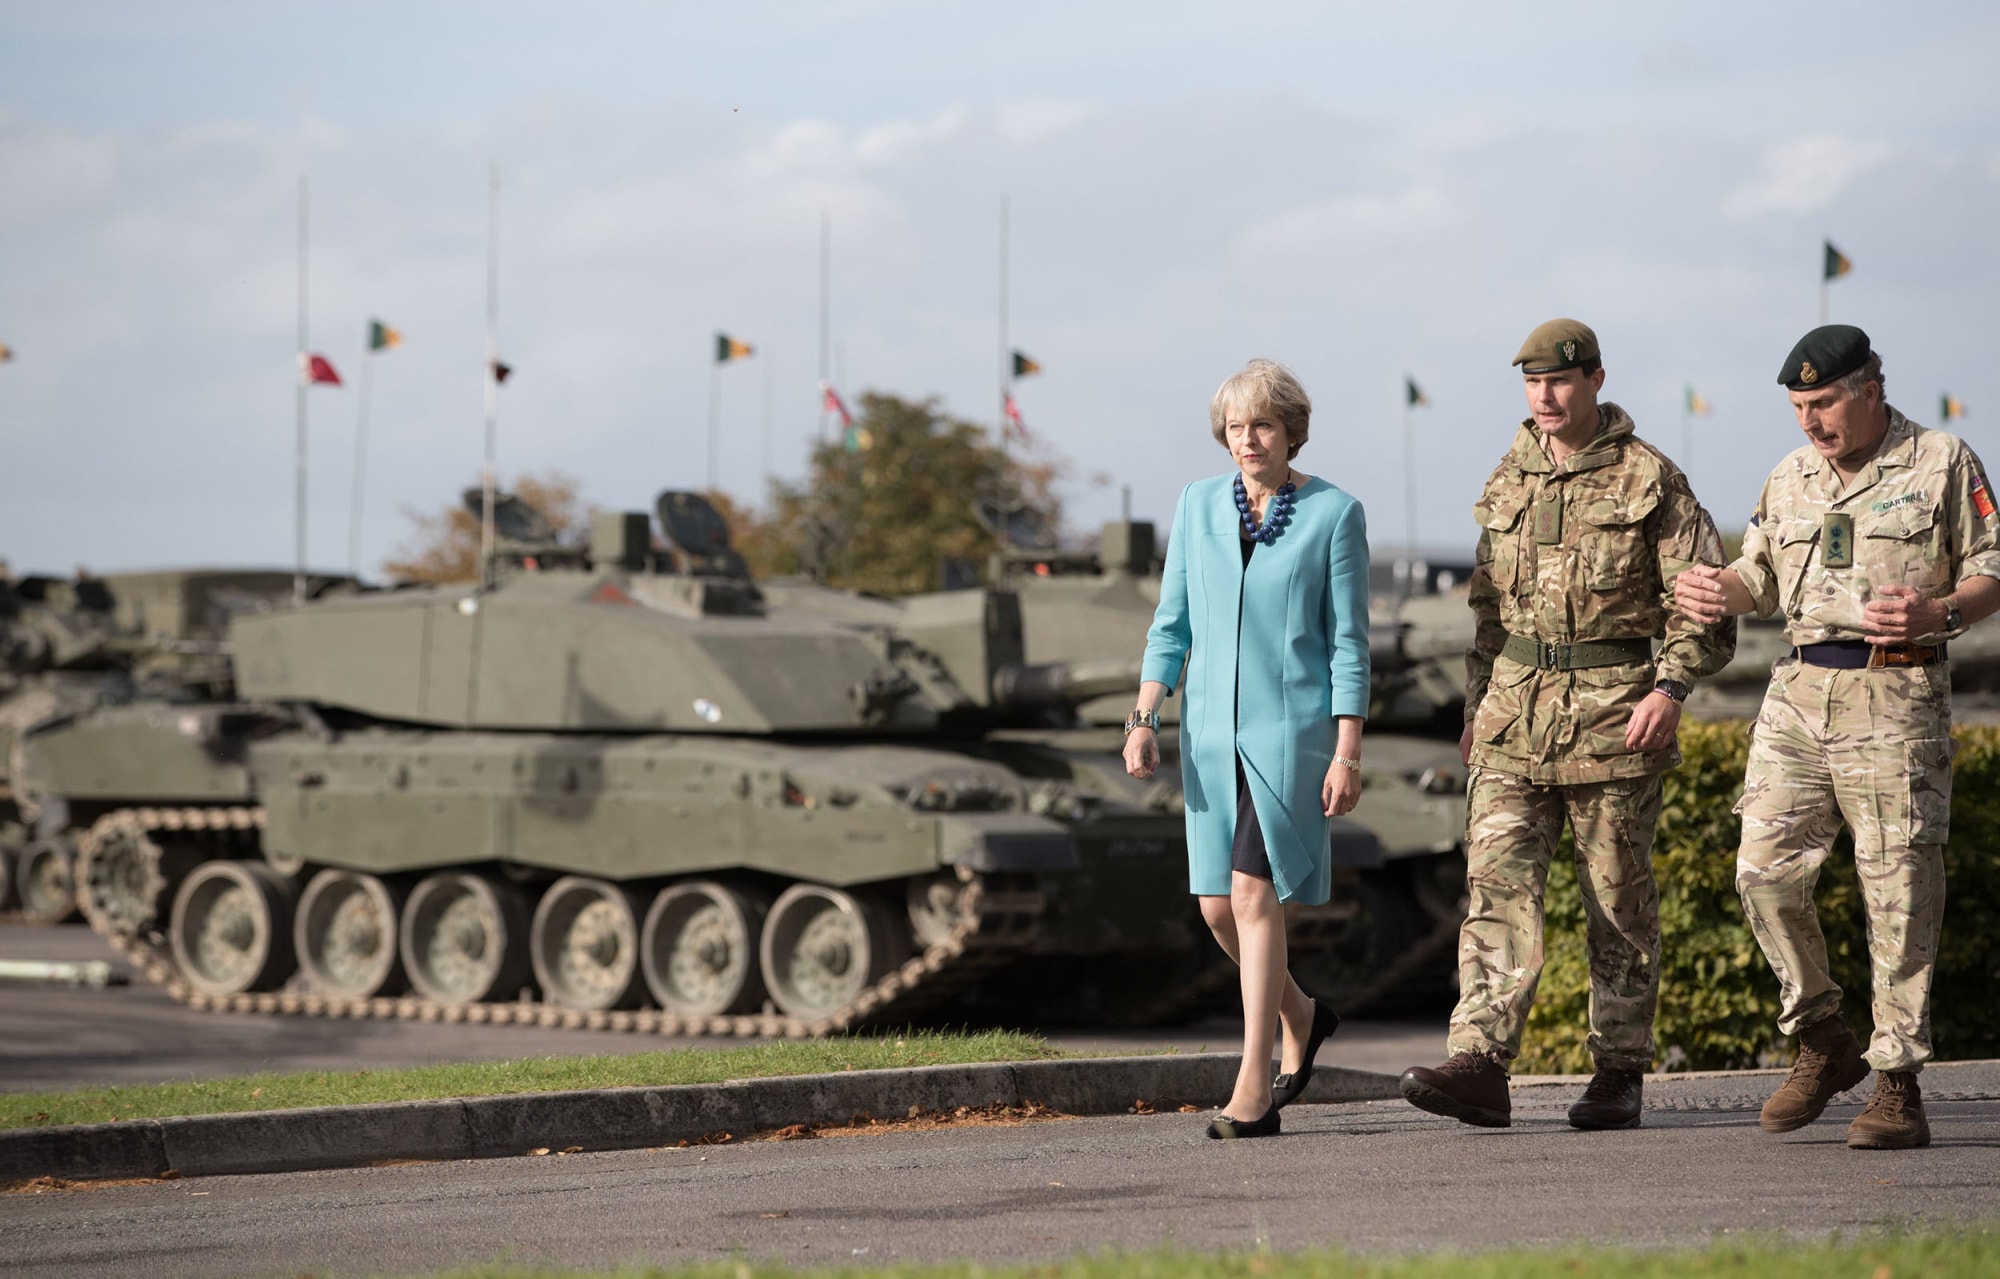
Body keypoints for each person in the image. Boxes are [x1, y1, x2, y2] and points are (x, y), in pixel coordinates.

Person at [1400, 319, 1736, 1131]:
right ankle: (1480, 1062)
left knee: (1617, 901)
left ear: (1594, 380)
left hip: (1616, 718)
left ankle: (1618, 1069)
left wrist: (1671, 687)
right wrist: (1477, 707)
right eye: (1532, 382)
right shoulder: (1510, 473)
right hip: (1513, 717)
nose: (1544, 396)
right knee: (1495, 889)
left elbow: (1705, 606)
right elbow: (1487, 611)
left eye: (1558, 380)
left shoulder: (1650, 478)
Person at [1674, 325, 2000, 1150]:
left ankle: (1897, 1083)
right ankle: (1823, 1035)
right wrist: (1718, 590)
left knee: (1898, 888)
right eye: (1797, 407)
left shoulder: (1941, 461)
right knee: (1762, 874)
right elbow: (1760, 576)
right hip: (1798, 692)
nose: (1809, 421)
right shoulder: (1790, 475)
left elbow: (1992, 567)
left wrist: (1941, 611)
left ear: (1870, 390)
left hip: (1896, 690)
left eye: (1822, 403)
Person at [1124, 358, 1369, 1140]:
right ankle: (1303, 1013)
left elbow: (1349, 645)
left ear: (1291, 430)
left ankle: (1253, 1087)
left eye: (1262, 424)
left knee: (1254, 894)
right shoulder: (1197, 504)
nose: (1248, 439)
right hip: (1205, 736)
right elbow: (1170, 625)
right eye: (1235, 426)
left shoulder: (1335, 514)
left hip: (1291, 737)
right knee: (1215, 906)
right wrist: (1143, 716)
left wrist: (1347, 750)